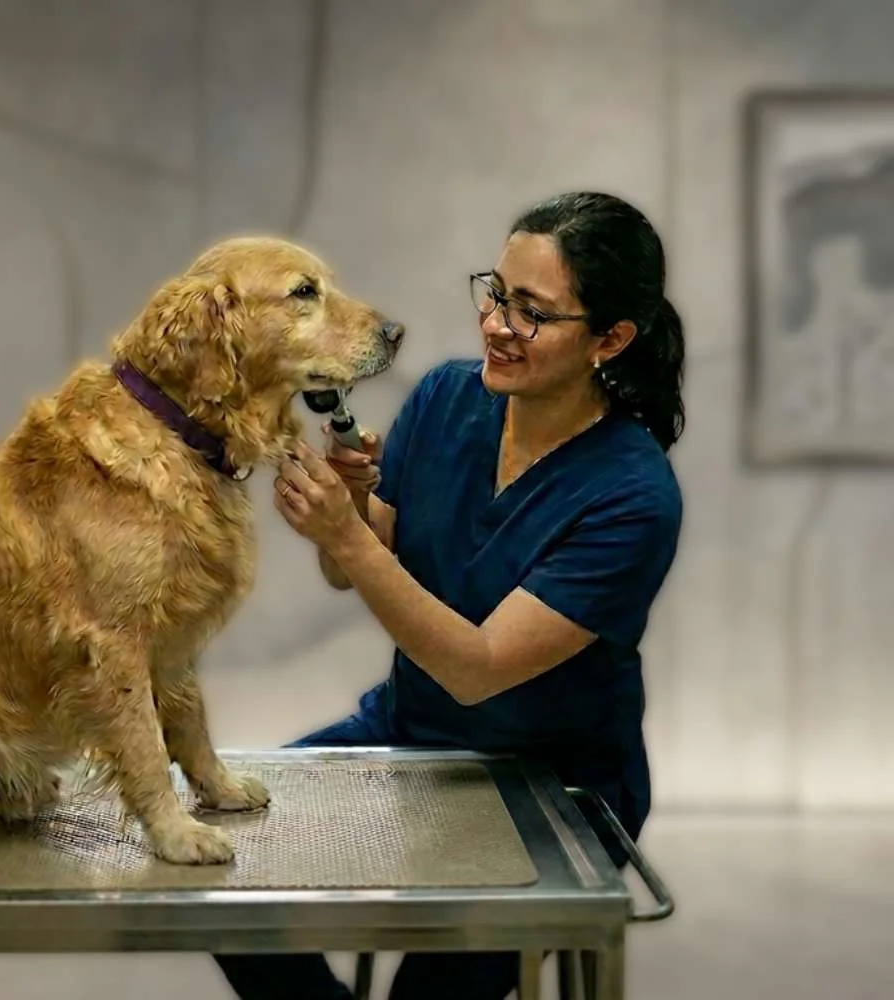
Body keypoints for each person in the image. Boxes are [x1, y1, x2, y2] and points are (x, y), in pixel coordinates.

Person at [213, 191, 685, 1000]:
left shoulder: (632, 495)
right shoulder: (445, 397)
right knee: (225, 867)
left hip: (553, 786)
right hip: (411, 732)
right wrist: (354, 513)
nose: (497, 324)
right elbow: (353, 572)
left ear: (610, 339)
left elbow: (480, 666)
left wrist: (350, 538)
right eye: (496, 294)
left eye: (533, 312)